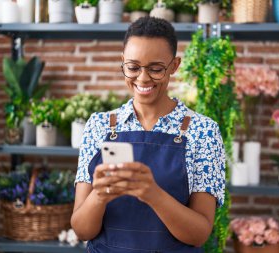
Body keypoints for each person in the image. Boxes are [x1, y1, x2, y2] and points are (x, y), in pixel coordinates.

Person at [71, 17, 226, 253]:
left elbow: (199, 234)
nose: (143, 78)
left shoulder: (203, 131)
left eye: (155, 69)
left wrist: (152, 194)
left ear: (174, 66)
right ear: (122, 62)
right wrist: (100, 195)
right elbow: (82, 231)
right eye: (133, 67)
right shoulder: (100, 126)